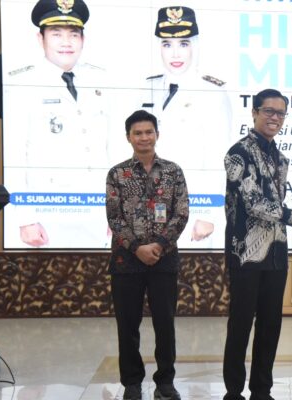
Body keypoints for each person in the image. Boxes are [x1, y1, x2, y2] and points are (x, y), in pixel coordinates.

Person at [222, 89, 292, 400]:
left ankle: (262, 390)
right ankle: (233, 391)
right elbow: (254, 203)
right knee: (241, 323)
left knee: (271, 324)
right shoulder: (238, 153)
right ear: (254, 113)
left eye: (280, 113)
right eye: (268, 111)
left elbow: (273, 205)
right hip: (245, 253)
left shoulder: (280, 158)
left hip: (277, 251)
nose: (275, 117)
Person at [4, 0, 112, 248]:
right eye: (56, 34)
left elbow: (114, 149)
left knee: (99, 273)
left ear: (83, 40)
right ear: (40, 38)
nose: (66, 42)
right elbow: (13, 156)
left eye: (73, 34)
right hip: (47, 214)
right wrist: (25, 218)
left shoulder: (101, 80)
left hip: (97, 212)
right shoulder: (21, 84)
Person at [105, 110, 189, 400]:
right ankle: (132, 383)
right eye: (137, 133)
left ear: (157, 135)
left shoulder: (173, 172)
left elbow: (181, 213)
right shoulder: (117, 173)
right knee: (128, 326)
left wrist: (159, 245)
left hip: (164, 260)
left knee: (165, 324)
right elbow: (114, 218)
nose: (144, 137)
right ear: (128, 137)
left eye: (148, 132)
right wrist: (137, 248)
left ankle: (165, 382)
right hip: (126, 261)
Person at [142, 5, 233, 248]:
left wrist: (209, 214)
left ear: (195, 45)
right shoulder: (146, 88)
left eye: (183, 44)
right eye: (167, 44)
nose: (175, 54)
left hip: (193, 209)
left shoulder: (212, 92)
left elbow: (218, 156)